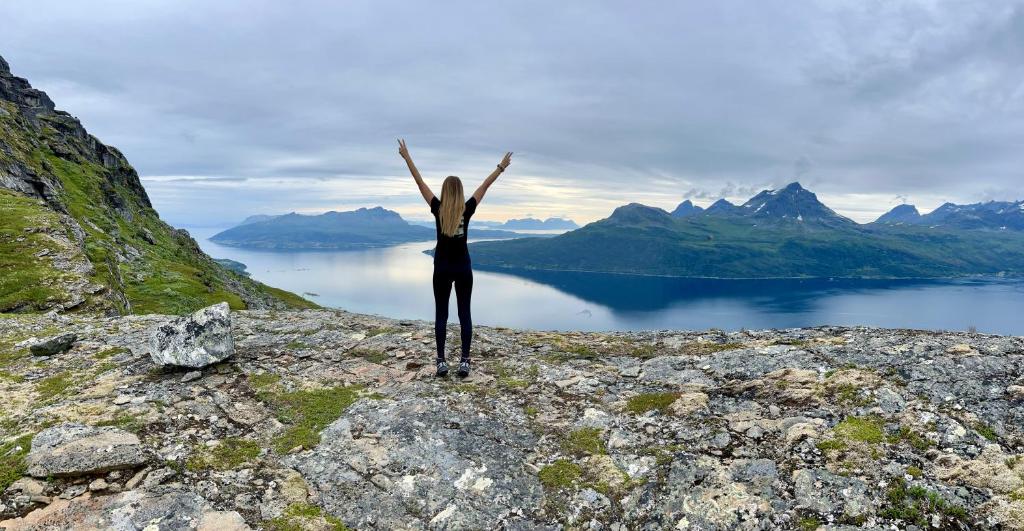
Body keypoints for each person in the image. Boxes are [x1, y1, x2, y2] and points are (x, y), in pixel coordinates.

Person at [398, 139, 512, 377]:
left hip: (441, 268)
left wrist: (407, 158)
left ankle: (440, 362)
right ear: (460, 192)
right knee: (464, 315)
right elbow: (484, 186)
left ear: (444, 192)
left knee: (441, 314)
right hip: (463, 268)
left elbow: (420, 182)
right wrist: (501, 167)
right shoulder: (467, 209)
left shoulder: (437, 208)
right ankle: (464, 362)